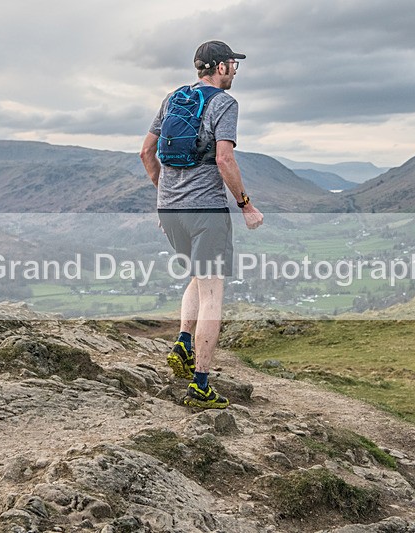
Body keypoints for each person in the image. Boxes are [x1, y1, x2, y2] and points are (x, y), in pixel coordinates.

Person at [140, 40, 263, 409]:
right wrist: (245, 205)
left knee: (197, 277)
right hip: (206, 211)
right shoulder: (225, 104)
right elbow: (225, 160)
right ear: (221, 67)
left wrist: (166, 198)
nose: (234, 71)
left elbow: (146, 152)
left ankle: (183, 341)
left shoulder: (173, 98)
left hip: (170, 211)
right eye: (232, 65)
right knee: (213, 293)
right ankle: (201, 385)